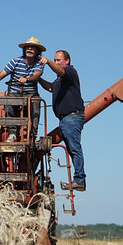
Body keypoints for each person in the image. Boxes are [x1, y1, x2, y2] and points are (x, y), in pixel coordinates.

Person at [38, 50, 86, 191]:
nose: (57, 62)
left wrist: (47, 62)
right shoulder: (59, 80)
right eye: (55, 60)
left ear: (67, 61)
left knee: (75, 148)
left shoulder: (70, 72)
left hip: (71, 117)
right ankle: (78, 180)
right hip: (65, 119)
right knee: (72, 149)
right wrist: (38, 79)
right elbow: (51, 88)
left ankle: (79, 180)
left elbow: (59, 70)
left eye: (58, 60)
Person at [0, 37, 45, 142]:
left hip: (31, 94)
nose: (29, 49)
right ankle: (12, 133)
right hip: (15, 92)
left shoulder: (39, 63)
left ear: (37, 51)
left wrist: (27, 79)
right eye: (27, 47)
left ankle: (33, 134)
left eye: (32, 47)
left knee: (36, 103)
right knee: (9, 101)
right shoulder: (15, 61)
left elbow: (36, 76)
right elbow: (0, 76)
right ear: (24, 50)